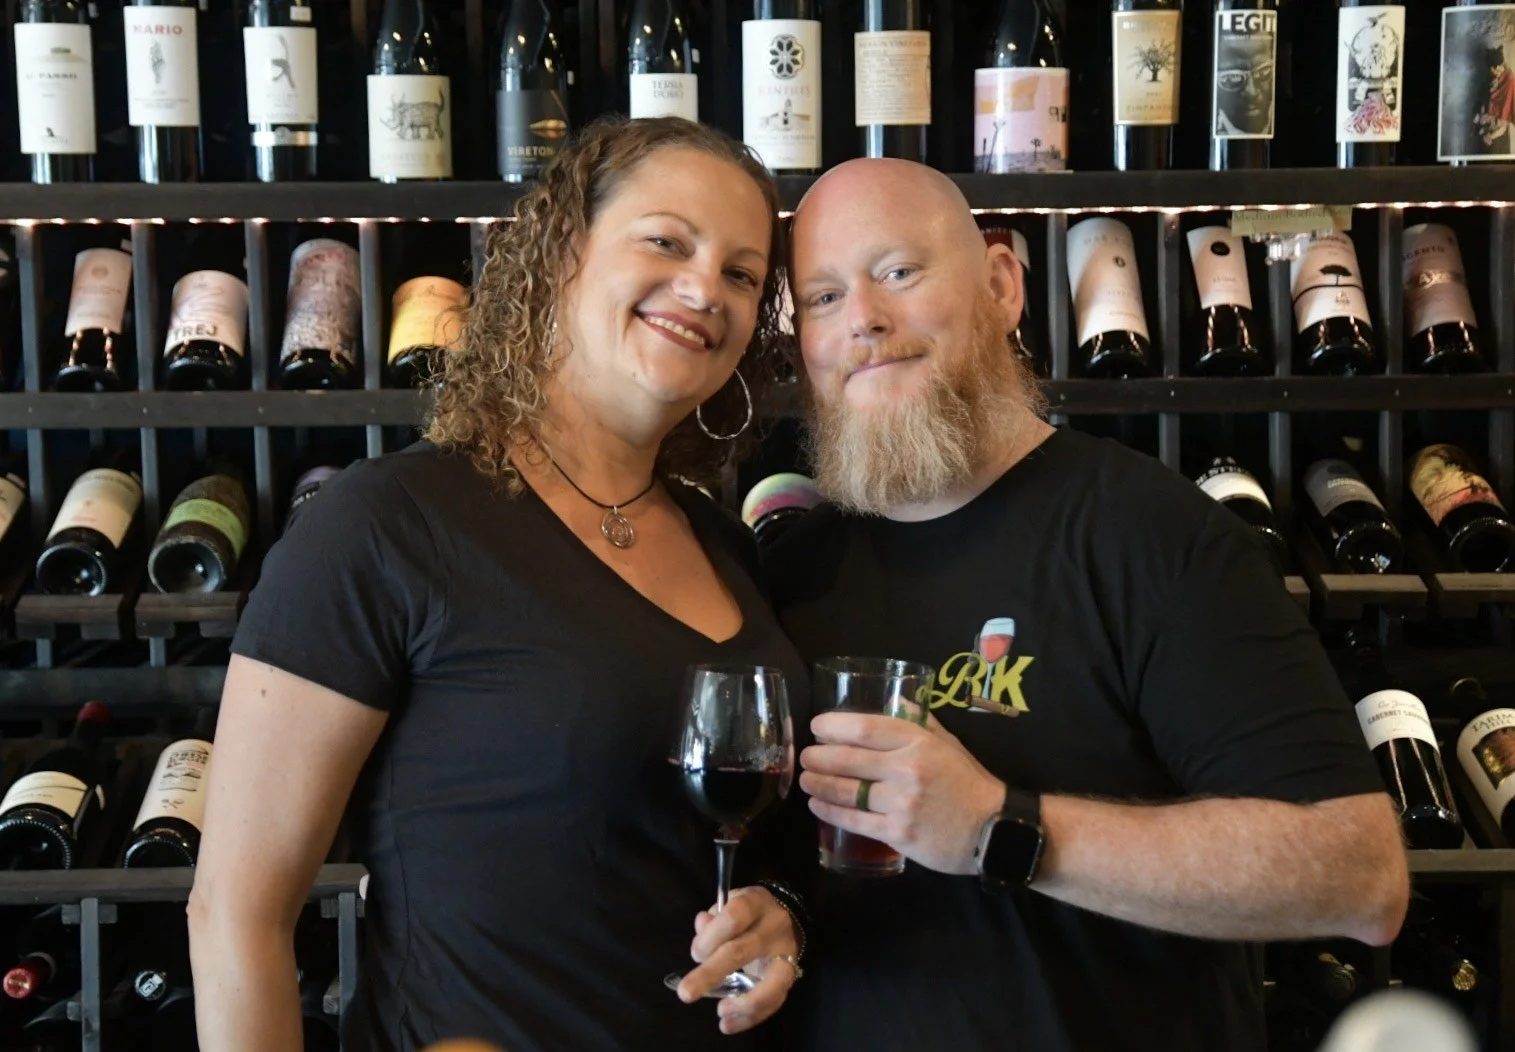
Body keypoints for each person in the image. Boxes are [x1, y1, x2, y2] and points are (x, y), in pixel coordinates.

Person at [188, 117, 812, 1052]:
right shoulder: (388, 524)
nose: (702, 290)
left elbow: (714, 849)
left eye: (741, 273)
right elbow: (236, 911)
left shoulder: (725, 544)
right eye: (666, 241)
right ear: (562, 253)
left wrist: (782, 914)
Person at [766, 158, 1410, 1052]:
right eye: (823, 297)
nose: (863, 320)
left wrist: (1002, 828)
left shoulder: (1155, 540)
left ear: (1000, 285)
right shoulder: (789, 570)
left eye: (898, 273)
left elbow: (1359, 877)